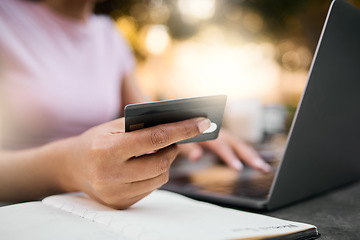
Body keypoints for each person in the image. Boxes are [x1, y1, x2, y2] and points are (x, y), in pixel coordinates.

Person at [0, 0, 271, 209]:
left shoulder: (108, 34)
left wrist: (192, 128)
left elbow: (148, 117)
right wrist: (67, 167)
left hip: (94, 210)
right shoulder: (6, 19)